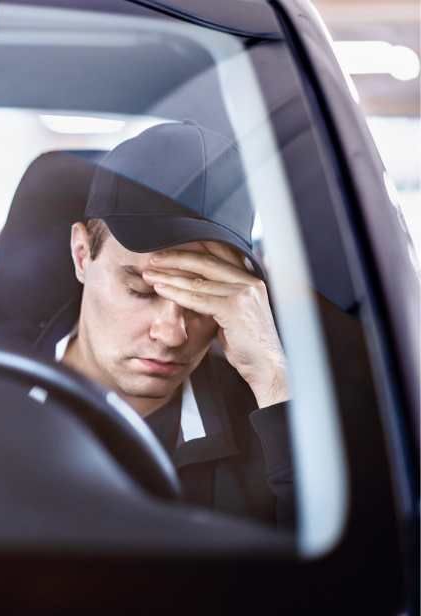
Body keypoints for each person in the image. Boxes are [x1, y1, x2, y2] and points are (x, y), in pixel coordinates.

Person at [36, 121, 293, 529]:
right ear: (82, 254)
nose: (173, 334)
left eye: (204, 296)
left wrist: (274, 379)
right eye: (142, 289)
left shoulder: (276, 430)